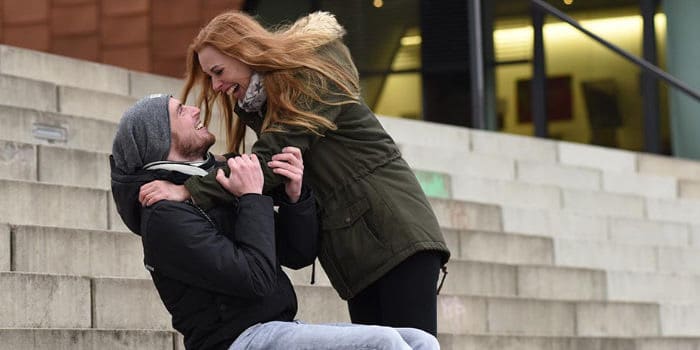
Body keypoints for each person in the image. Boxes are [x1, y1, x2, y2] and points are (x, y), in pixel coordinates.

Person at [139, 11, 451, 336]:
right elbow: (276, 163)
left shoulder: (307, 75)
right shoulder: (268, 102)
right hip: (358, 248)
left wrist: (189, 189)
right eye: (210, 77)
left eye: (218, 72)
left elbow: (271, 159)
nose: (216, 86)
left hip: (394, 233)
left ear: (244, 51)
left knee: (413, 345)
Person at [110, 94, 440, 350]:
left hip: (279, 331)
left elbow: (297, 254)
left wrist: (296, 197)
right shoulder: (164, 216)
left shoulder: (212, 183)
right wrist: (252, 197)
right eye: (181, 111)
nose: (196, 110)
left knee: (419, 342)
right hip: (240, 341)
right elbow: (256, 279)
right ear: (157, 139)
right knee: (384, 346)